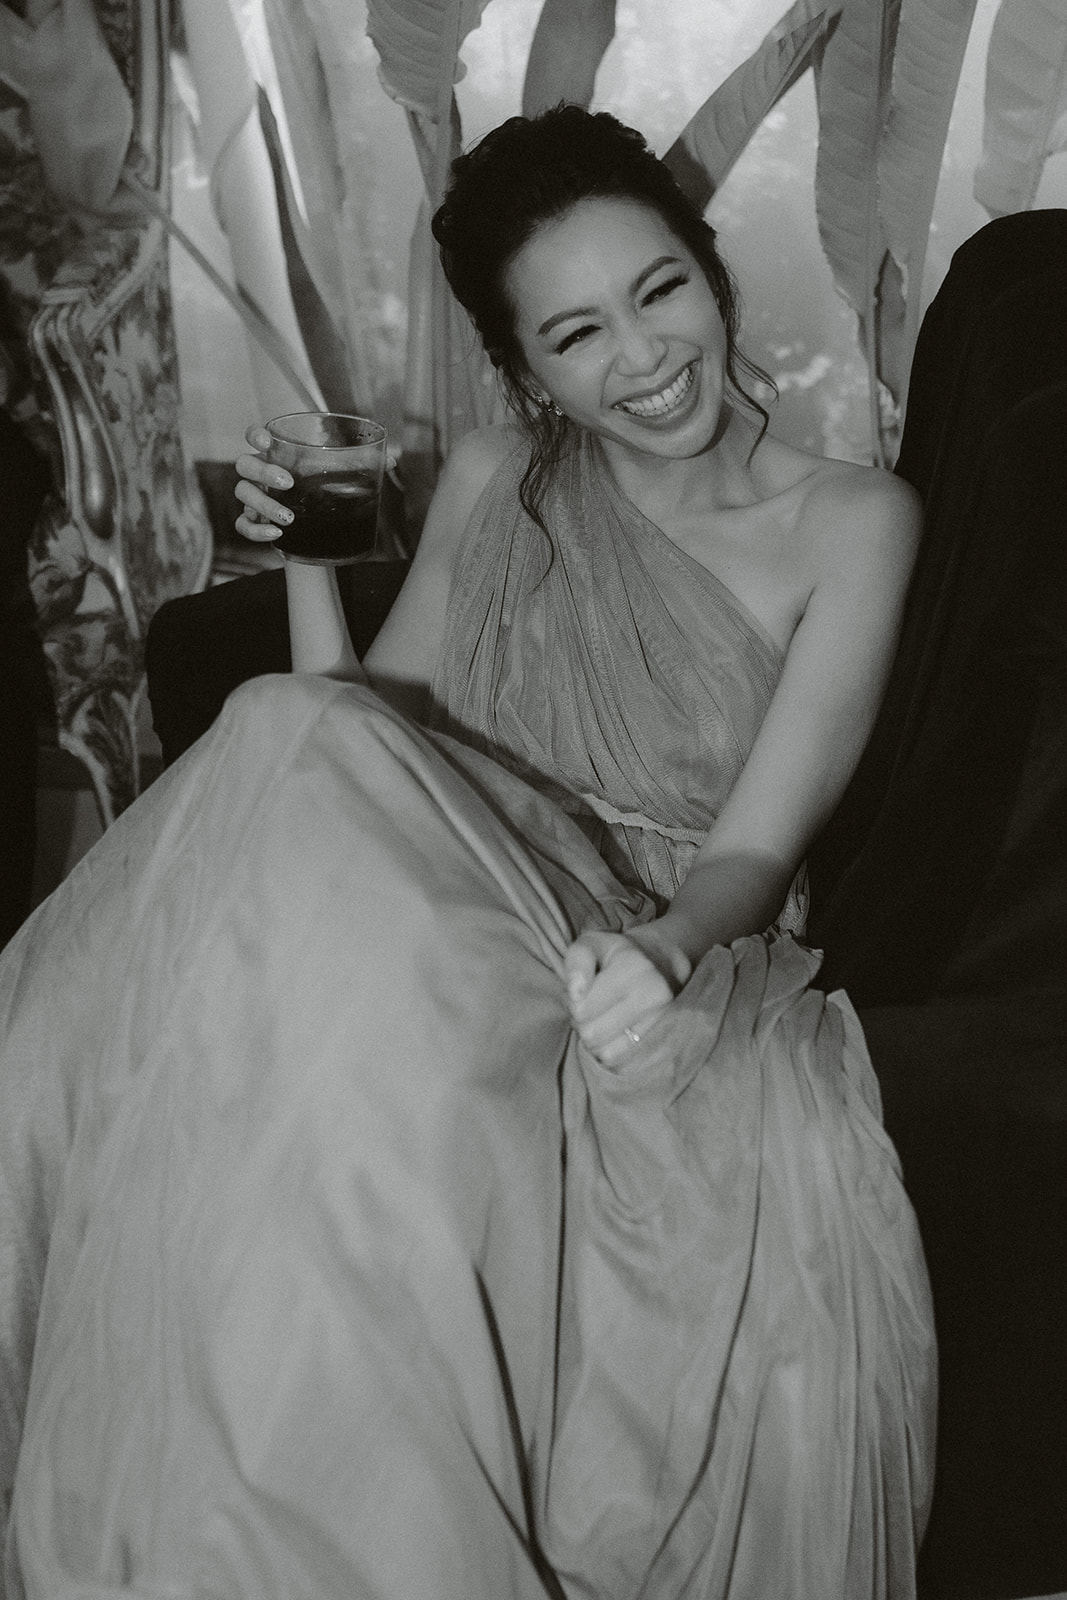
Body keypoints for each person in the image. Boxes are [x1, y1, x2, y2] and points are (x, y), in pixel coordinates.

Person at [0, 107, 934, 1599]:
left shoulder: (854, 521)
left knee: (291, 868)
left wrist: (666, 955)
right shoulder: (504, 477)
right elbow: (365, 725)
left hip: (629, 937)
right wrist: (310, 556)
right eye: (576, 335)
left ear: (711, 265)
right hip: (427, 881)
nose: (641, 357)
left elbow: (756, 850)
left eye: (661, 290)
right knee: (282, 750)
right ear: (525, 372)